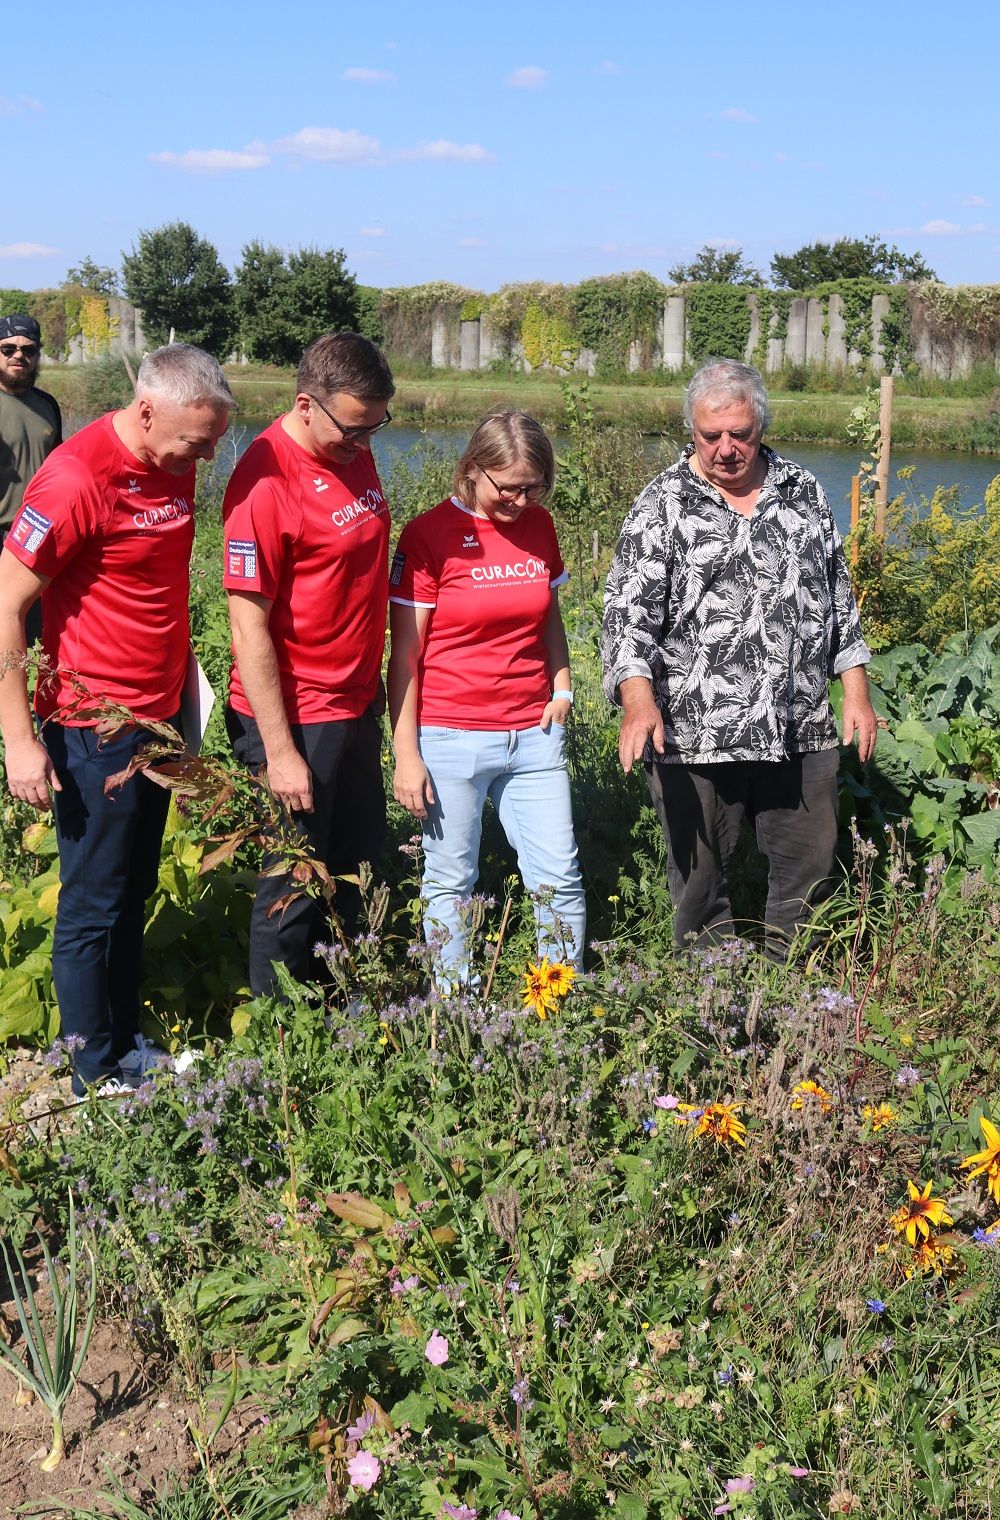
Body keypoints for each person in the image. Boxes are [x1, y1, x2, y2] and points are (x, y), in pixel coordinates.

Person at [0, 343, 234, 1095]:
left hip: (159, 719)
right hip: (93, 726)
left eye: (214, 440)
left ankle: (126, 1047)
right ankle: (89, 1073)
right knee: (92, 902)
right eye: (197, 440)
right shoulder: (76, 478)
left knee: (132, 890)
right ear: (146, 410)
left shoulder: (175, 460)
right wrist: (18, 741)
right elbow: (6, 604)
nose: (206, 455)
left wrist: (184, 714)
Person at [601, 358, 878, 960]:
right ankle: (712, 999)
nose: (726, 449)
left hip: (798, 723)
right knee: (699, 885)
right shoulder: (660, 505)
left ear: (761, 426)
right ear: (692, 431)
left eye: (740, 434)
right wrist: (638, 704)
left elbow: (837, 598)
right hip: (695, 734)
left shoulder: (802, 490)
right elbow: (626, 618)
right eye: (711, 436)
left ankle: (795, 987)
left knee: (808, 869)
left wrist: (856, 692)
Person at [388, 409, 586, 988]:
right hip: (451, 736)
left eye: (533, 488)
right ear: (473, 468)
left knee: (559, 876)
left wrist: (562, 685)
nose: (521, 501)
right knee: (451, 881)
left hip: (534, 735)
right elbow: (405, 657)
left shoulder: (540, 526)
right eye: (509, 488)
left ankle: (557, 1002)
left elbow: (549, 618)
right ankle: (456, 1011)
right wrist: (406, 754)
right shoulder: (427, 536)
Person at [224, 332, 395, 997]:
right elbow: (247, 626)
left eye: (377, 426)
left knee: (358, 863)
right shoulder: (264, 484)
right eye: (353, 429)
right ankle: (278, 1028)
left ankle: (347, 1005)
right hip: (297, 715)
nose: (366, 442)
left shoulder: (350, 446)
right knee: (293, 882)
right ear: (305, 405)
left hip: (354, 699)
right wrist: (279, 752)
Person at [0, 313, 62, 645]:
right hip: (3, 534)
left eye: (28, 350)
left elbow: (63, 469)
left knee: (37, 630)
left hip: (42, 535)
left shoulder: (47, 405)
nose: (18, 356)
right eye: (8, 348)